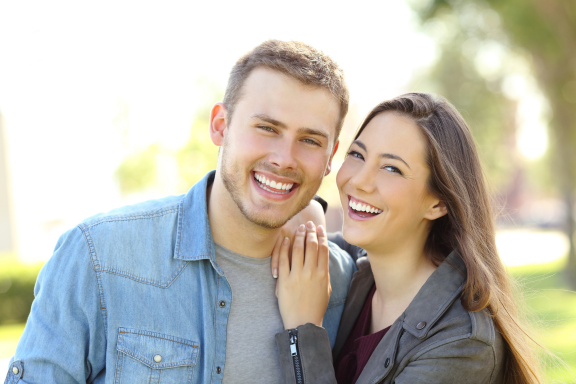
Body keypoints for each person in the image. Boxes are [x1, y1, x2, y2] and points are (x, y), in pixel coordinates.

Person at [5, 40, 357, 384]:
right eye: (267, 128)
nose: (284, 158)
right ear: (221, 125)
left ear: (330, 157)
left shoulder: (343, 284)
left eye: (310, 140)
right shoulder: (99, 255)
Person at [272, 93, 543, 384]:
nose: (359, 180)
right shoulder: (356, 271)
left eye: (392, 168)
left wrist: (303, 331)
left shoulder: (462, 345)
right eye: (357, 155)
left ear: (438, 203)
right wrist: (310, 212)